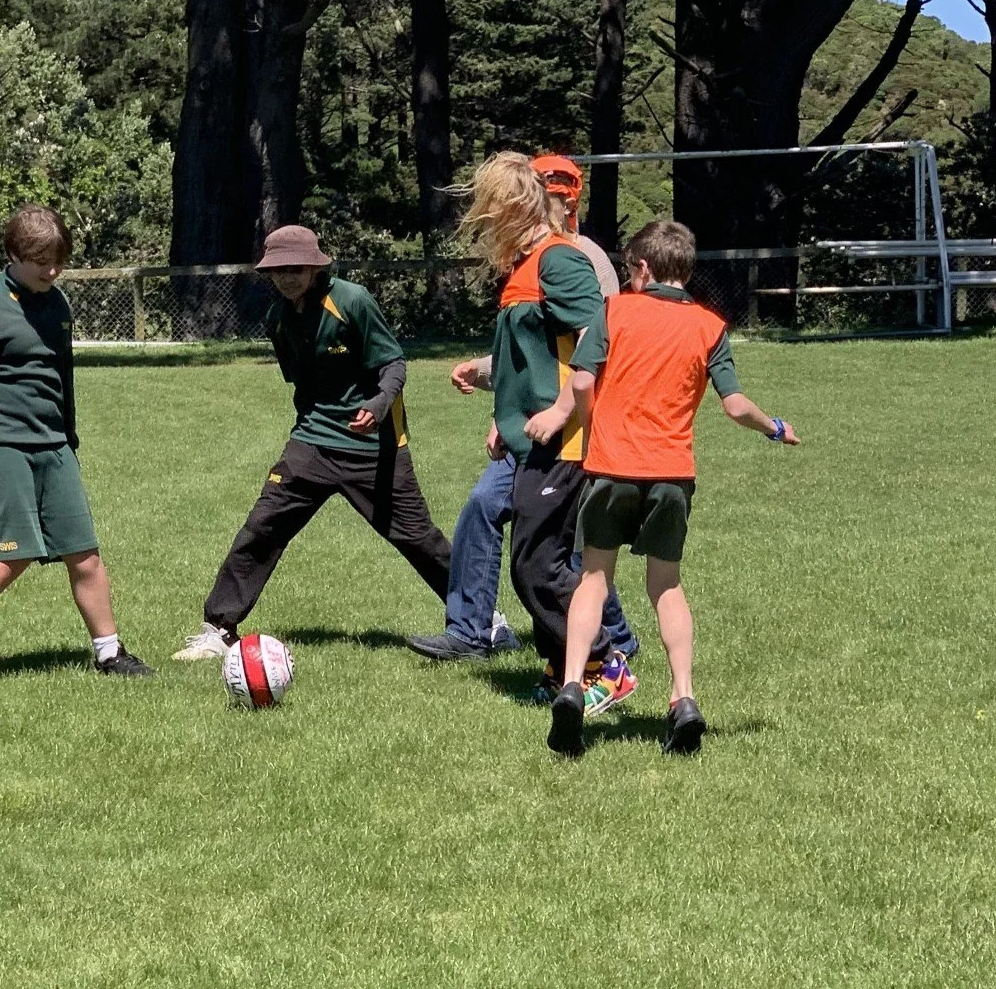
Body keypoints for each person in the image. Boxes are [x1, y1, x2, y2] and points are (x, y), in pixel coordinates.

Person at [547, 220, 800, 757]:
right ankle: (683, 698)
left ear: (641, 268)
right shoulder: (709, 326)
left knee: (594, 577)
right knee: (665, 585)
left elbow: (583, 381)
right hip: (671, 474)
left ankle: (572, 685)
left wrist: (596, 430)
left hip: (612, 466)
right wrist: (775, 427)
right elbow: (734, 405)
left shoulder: (614, 311)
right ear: (685, 270)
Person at [173, 225, 453, 661]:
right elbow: (305, 386)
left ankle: (483, 620)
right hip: (311, 443)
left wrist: (378, 405)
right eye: (278, 270)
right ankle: (218, 628)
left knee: (418, 538)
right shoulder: (278, 318)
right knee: (263, 526)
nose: (287, 277)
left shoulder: (352, 301)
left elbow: (394, 364)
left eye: (295, 268)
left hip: (374, 447)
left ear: (315, 266)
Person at [408, 152, 639, 663]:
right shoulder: (526, 266)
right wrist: (502, 413)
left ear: (514, 206)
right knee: (533, 552)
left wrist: (561, 410)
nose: (485, 224)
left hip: (566, 437)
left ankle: (605, 658)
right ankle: (559, 663)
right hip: (530, 435)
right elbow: (530, 356)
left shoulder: (563, 259)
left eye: (489, 212)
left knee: (543, 563)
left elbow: (596, 340)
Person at [0, 205, 152, 684]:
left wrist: (69, 437)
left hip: (53, 445)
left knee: (84, 552)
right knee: (10, 551)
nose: (53, 270)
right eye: (42, 261)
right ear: (13, 254)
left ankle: (109, 652)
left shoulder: (57, 305)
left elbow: (61, 378)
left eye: (59, 260)